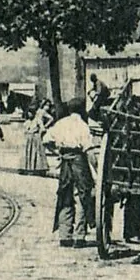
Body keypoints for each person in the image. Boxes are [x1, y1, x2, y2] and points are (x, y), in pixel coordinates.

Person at [44, 97, 97, 246]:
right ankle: (79, 237)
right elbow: (89, 150)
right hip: (79, 162)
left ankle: (65, 236)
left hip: (65, 163)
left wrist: (57, 152)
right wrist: (97, 169)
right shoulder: (82, 125)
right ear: (81, 110)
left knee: (65, 196)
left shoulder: (60, 124)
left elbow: (46, 140)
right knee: (82, 196)